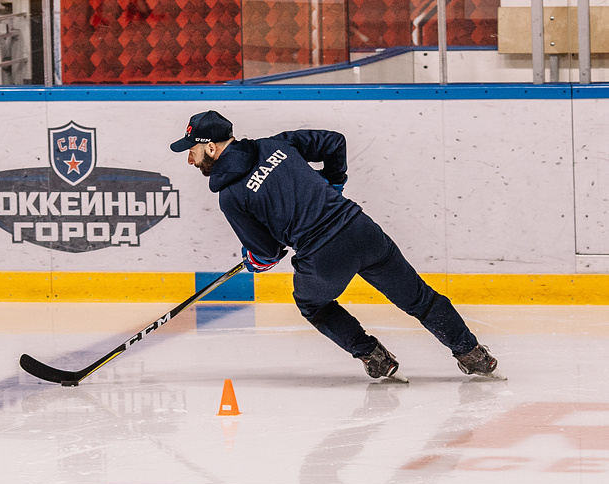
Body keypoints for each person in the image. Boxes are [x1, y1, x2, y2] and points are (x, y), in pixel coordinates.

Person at [170, 110, 501, 381]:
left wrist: (256, 259)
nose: (190, 160)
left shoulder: (231, 196)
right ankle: (472, 354)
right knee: (419, 298)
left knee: (312, 305)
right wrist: (335, 182)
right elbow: (334, 142)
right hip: (362, 231)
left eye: (192, 151)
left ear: (210, 148)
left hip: (323, 258)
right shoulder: (276, 145)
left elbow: (267, 253)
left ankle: (373, 356)